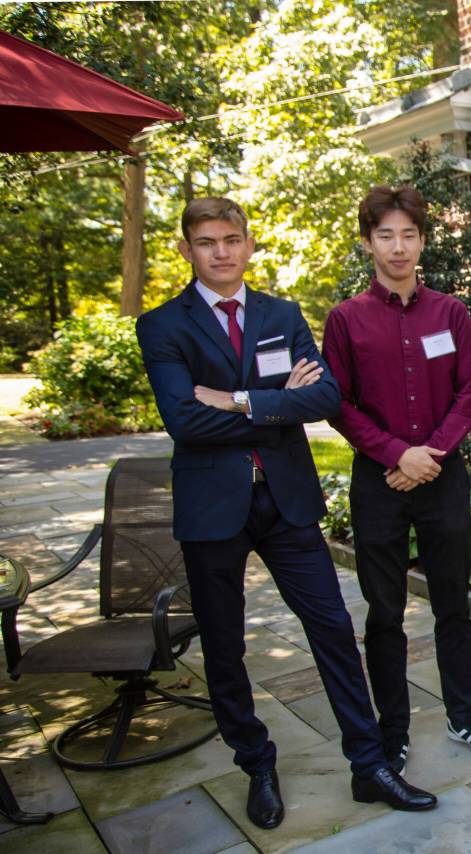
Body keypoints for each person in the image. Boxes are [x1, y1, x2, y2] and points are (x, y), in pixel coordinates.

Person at [136, 197, 436, 831]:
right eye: (207, 241)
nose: (221, 251)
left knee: (331, 628)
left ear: (249, 244)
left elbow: (325, 395)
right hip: (212, 507)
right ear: (187, 250)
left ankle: (368, 763)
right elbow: (182, 419)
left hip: (287, 500)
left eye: (232, 239)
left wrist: (238, 398)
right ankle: (256, 763)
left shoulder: (281, 313)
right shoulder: (162, 325)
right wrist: (277, 401)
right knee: (224, 646)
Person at [323, 185, 471, 773]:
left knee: (453, 603)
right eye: (385, 236)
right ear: (367, 242)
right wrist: (397, 455)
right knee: (384, 612)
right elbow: (338, 403)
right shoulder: (346, 319)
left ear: (422, 241)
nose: (398, 247)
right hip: (379, 483)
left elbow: (470, 392)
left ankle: (462, 713)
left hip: (443, 479)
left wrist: (428, 453)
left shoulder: (450, 314)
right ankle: (393, 729)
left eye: (408, 235)